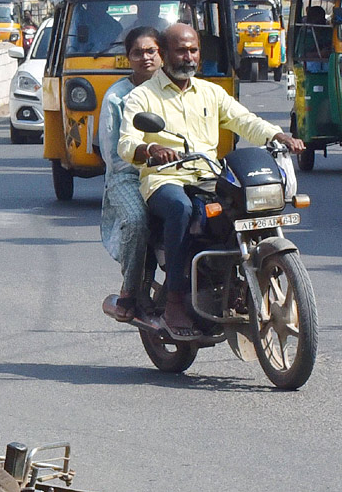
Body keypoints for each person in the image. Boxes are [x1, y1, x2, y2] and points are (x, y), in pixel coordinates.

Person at [118, 22, 304, 339]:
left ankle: (237, 281)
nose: (188, 57)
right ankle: (175, 299)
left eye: (193, 50)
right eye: (181, 50)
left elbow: (244, 120)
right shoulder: (142, 97)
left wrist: (278, 135)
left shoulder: (211, 92)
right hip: (165, 180)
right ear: (163, 54)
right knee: (180, 209)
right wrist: (150, 148)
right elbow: (126, 143)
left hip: (207, 175)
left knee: (244, 207)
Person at [98, 26, 162, 322]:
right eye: (138, 53)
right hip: (128, 177)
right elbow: (114, 156)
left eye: (151, 51)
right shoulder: (117, 97)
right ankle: (130, 291)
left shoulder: (176, 88)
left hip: (173, 173)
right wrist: (148, 157)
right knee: (137, 220)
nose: (145, 58)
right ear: (128, 58)